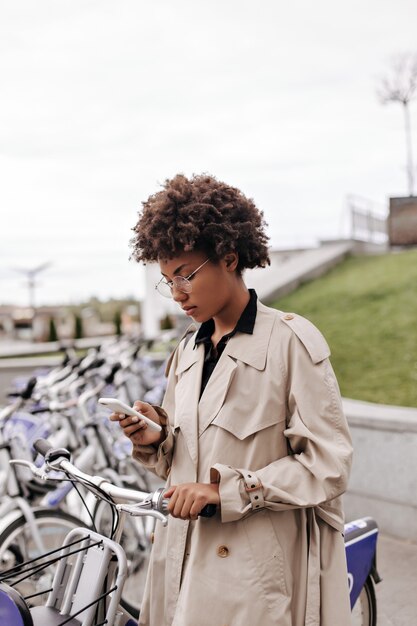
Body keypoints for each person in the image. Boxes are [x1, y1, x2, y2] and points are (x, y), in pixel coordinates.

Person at [110, 173, 353, 626]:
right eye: (166, 280)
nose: (177, 293)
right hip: (182, 562)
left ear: (228, 257)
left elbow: (328, 465)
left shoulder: (289, 341)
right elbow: (184, 460)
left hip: (254, 577)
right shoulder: (187, 349)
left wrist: (228, 490)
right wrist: (155, 436)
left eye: (186, 274)